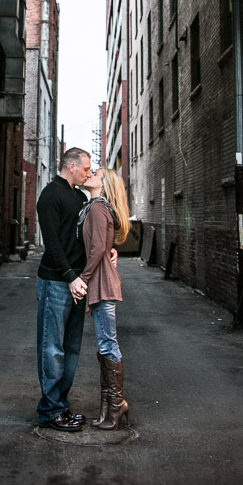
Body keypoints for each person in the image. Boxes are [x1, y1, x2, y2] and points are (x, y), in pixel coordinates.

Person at [35, 147, 92, 432]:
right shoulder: (50, 196)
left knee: (71, 348)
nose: (88, 174)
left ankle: (61, 405)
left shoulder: (80, 197)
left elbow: (85, 236)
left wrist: (110, 250)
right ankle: (50, 411)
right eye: (86, 169)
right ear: (71, 167)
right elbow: (53, 242)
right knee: (52, 347)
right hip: (56, 283)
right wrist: (70, 276)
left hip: (77, 282)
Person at [75, 167, 131, 430]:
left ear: (104, 185)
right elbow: (103, 245)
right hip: (101, 283)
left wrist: (83, 279)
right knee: (105, 347)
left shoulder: (98, 208)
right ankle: (107, 409)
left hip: (102, 284)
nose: (90, 175)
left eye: (95, 173)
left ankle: (116, 405)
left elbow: (98, 249)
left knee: (108, 345)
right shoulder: (95, 207)